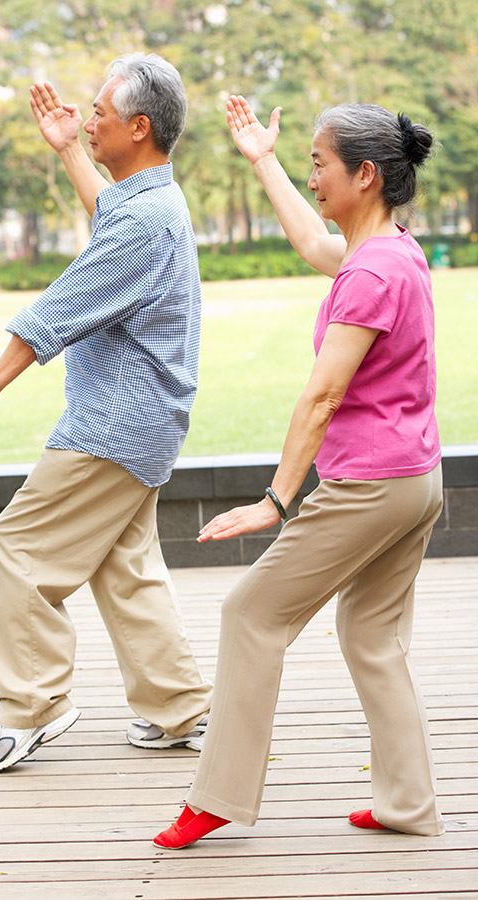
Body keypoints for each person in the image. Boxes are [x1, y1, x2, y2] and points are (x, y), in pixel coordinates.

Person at [153, 95, 444, 849]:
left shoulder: (371, 273)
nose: (313, 178)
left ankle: (217, 797)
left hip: (369, 488)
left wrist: (276, 501)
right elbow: (316, 244)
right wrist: (264, 161)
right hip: (416, 480)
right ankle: (408, 802)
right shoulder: (394, 251)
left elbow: (321, 395)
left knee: (251, 615)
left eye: (320, 165)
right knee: (371, 635)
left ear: (366, 175)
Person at [0, 52, 212, 773]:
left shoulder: (145, 223)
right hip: (145, 422)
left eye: (100, 115)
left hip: (112, 424)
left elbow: (59, 309)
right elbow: (111, 215)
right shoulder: (151, 201)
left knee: (16, 549)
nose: (89, 120)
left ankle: (34, 707)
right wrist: (69, 149)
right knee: (124, 565)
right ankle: (178, 708)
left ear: (138, 127)